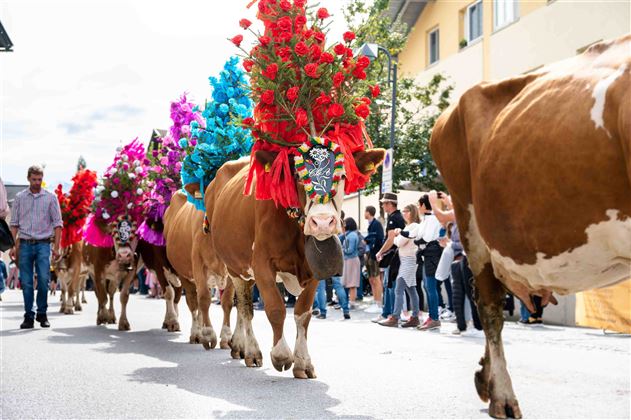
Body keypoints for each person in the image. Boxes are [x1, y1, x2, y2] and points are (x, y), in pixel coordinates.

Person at [9, 165, 63, 329]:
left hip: (43, 245)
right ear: (28, 179)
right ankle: (29, 316)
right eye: (34, 179)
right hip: (24, 244)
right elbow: (14, 224)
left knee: (44, 279)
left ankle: (42, 313)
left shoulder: (51, 198)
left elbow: (58, 224)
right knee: (26, 282)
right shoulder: (19, 197)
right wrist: (13, 246)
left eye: (39, 179)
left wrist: (57, 247)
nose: (37, 182)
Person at [379, 204, 422, 328]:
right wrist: (399, 236)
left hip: (409, 260)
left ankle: (395, 317)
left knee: (399, 289)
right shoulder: (408, 226)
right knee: (411, 289)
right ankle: (414, 317)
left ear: (412, 212)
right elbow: (398, 241)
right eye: (403, 211)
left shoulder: (414, 226)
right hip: (406, 260)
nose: (403, 213)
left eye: (406, 211)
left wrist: (398, 235)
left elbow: (398, 242)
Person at [373, 193, 406, 323]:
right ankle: (387, 313)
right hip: (395, 255)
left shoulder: (394, 218)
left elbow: (391, 239)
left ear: (389, 204)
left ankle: (390, 314)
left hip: (393, 256)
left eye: (384, 203)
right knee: (388, 284)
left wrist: (380, 252)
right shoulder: (395, 216)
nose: (382, 205)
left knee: (390, 285)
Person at [415, 194, 443, 331]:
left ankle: (434, 318)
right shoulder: (426, 219)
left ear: (424, 205)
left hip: (432, 255)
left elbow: (424, 238)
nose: (418, 207)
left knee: (430, 287)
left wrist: (418, 240)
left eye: (419, 205)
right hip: (427, 255)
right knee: (427, 286)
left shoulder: (432, 219)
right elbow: (419, 236)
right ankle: (432, 317)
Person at [363, 205, 384, 314]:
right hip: (370, 255)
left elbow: (379, 238)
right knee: (371, 279)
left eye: (365, 211)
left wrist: (367, 241)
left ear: (368, 212)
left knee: (376, 279)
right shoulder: (371, 224)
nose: (364, 213)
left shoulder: (376, 224)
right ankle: (375, 302)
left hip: (374, 255)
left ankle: (379, 303)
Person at [342, 217, 361, 307]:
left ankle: (352, 303)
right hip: (348, 260)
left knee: (352, 283)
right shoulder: (348, 234)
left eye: (345, 223)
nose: (343, 225)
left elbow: (350, 250)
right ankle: (350, 302)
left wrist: (341, 249)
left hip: (352, 260)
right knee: (348, 282)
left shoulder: (352, 235)